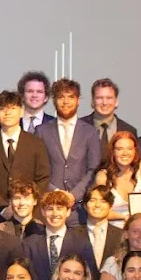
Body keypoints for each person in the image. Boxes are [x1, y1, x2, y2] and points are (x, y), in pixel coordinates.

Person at [38, 79, 102, 224]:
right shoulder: (42, 131)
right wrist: (56, 194)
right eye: (61, 97)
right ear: (54, 101)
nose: (65, 101)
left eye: (71, 97)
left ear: (78, 100)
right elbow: (40, 170)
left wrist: (74, 195)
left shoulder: (90, 132)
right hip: (50, 208)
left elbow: (94, 168)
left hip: (80, 210)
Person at [0, 90, 50, 206]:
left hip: (30, 210)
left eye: (12, 108)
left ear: (21, 112)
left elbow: (43, 178)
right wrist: (3, 207)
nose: (7, 113)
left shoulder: (36, 143)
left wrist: (27, 203)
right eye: (2, 109)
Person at [23, 189, 95, 280]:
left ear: (68, 211)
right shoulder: (30, 244)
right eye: (50, 209)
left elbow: (91, 277)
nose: (55, 214)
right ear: (43, 212)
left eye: (59, 208)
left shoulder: (82, 243)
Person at [92, 131, 141, 222]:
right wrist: (124, 217)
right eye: (119, 149)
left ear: (135, 151)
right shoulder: (102, 177)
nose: (125, 153)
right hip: (113, 230)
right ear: (112, 151)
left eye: (129, 148)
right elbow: (97, 211)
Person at [80, 77, 136, 151]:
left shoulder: (129, 130)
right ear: (92, 101)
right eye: (99, 98)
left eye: (109, 98)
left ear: (116, 102)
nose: (104, 103)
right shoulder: (79, 128)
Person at [82, 185, 124, 271]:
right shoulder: (72, 235)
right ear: (85, 206)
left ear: (110, 207)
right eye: (92, 200)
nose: (97, 205)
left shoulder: (121, 235)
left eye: (103, 201)